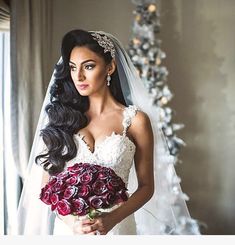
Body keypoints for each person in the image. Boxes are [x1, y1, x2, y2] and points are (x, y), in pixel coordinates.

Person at [15, 29, 200, 235]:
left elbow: (147, 186)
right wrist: (72, 223)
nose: (79, 76)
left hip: (118, 228)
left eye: (89, 66)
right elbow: (46, 188)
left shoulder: (135, 121)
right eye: (73, 68)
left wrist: (112, 219)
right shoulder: (61, 120)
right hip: (70, 231)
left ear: (110, 67)